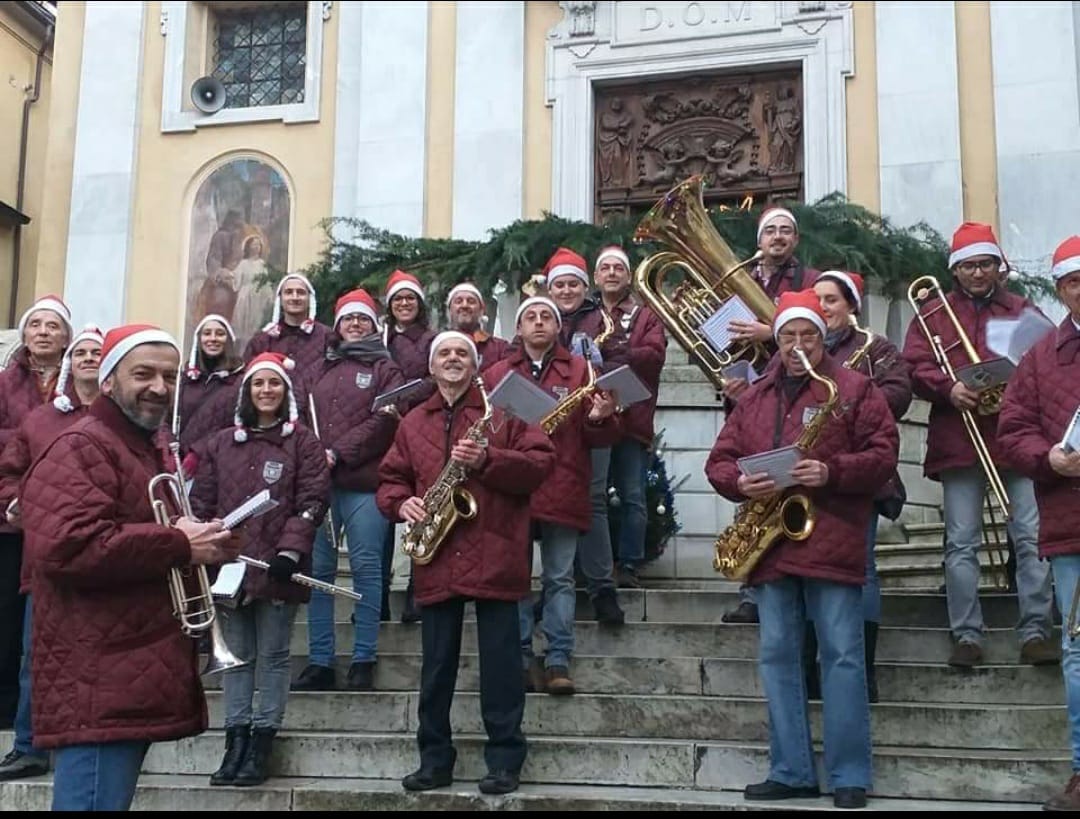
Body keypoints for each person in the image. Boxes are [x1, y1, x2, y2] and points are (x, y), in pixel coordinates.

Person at [18, 323, 239, 811]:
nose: (159, 388)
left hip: (123, 667)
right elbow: (68, 547)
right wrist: (177, 543)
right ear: (110, 379)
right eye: (144, 374)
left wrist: (198, 540)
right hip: (99, 673)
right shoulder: (82, 445)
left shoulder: (139, 446)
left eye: (168, 376)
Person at [705, 290, 898, 809]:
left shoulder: (855, 388)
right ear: (777, 341)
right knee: (776, 657)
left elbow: (883, 455)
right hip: (771, 547)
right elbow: (719, 461)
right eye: (787, 336)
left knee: (841, 656)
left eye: (807, 336)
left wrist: (831, 472)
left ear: (823, 337)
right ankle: (790, 770)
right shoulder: (756, 395)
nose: (796, 346)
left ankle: (850, 774)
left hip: (832, 536)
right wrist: (739, 485)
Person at [377, 331, 555, 796]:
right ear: (432, 367)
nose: (453, 359)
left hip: (496, 551)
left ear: (475, 365)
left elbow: (540, 466)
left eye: (462, 354)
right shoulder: (413, 421)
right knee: (436, 668)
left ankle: (504, 761)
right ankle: (434, 759)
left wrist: (487, 458)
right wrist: (402, 504)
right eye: (444, 354)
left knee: (500, 667)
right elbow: (390, 480)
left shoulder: (506, 411)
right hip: (437, 555)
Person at [902, 222, 1057, 668]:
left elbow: (1047, 359)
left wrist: (1020, 390)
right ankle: (966, 635)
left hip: (1018, 438)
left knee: (1030, 536)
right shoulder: (932, 313)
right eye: (968, 265)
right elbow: (913, 365)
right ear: (955, 270)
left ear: (998, 266)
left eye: (984, 264)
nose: (976, 273)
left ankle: (1035, 631)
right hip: (960, 438)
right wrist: (948, 388)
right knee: (961, 542)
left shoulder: (1022, 309)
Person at [191, 352, 330, 787]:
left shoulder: (302, 441)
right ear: (247, 391)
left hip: (277, 567)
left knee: (272, 656)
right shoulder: (220, 443)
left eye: (274, 384)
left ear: (286, 392)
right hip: (230, 567)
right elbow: (203, 503)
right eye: (258, 384)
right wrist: (211, 543)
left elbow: (311, 498)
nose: (266, 391)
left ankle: (261, 742)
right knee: (234, 659)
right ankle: (234, 741)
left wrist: (289, 552)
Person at [484, 296, 618, 695]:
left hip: (564, 482)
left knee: (560, 578)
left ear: (558, 327)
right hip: (514, 486)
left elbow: (603, 437)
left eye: (547, 317)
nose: (539, 323)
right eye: (531, 317)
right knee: (517, 578)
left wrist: (600, 420)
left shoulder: (582, 370)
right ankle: (522, 658)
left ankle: (558, 658)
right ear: (519, 328)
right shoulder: (495, 373)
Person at [997, 235, 1080, 811]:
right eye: (1076, 281)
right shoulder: (1040, 357)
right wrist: (1046, 458)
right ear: (1062, 289)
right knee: (1077, 650)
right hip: (1072, 522)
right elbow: (1013, 431)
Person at [803, 271, 912, 702]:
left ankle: (863, 671)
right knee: (808, 571)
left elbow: (900, 394)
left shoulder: (876, 348)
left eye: (832, 300)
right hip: (807, 478)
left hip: (858, 475)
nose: (824, 307)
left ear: (851, 306)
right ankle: (813, 668)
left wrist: (844, 404)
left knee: (861, 569)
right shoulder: (796, 347)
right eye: (819, 300)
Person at [0, 324, 102, 782]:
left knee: (95, 656)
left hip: (103, 557)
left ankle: (91, 739)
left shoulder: (123, 419)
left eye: (97, 352)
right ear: (69, 361)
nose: (87, 358)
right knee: (35, 655)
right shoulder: (41, 420)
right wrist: (14, 501)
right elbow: (11, 470)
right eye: (80, 352)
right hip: (44, 556)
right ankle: (28, 745)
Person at [292, 289, 404, 692]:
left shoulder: (385, 369)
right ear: (337, 326)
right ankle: (320, 660)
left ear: (374, 326)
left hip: (364, 482)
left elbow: (385, 421)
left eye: (363, 320)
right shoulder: (317, 368)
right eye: (348, 320)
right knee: (319, 574)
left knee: (366, 568)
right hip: (319, 485)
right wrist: (313, 454)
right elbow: (301, 416)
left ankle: (363, 657)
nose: (355, 325)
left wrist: (338, 452)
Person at [721, 208, 819, 624]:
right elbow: (720, 339)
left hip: (800, 394)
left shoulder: (810, 281)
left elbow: (822, 330)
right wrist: (726, 377)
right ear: (759, 240)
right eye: (770, 231)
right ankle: (751, 587)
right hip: (751, 400)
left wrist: (770, 332)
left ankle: (794, 584)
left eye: (786, 231)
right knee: (752, 489)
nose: (778, 237)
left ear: (795, 240)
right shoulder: (737, 277)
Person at [0, 295, 72, 730]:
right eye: (36, 325)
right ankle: (6, 700)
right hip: (8, 512)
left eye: (53, 326)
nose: (43, 332)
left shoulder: (78, 379)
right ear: (24, 334)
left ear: (66, 335)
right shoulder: (5, 382)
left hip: (59, 509)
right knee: (6, 609)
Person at [382, 270, 436, 623]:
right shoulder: (380, 339)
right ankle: (380, 596)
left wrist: (402, 399)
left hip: (421, 429)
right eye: (398, 299)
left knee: (420, 508)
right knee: (386, 517)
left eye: (410, 299)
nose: (404, 304)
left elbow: (435, 378)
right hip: (383, 431)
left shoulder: (432, 338)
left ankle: (418, 590)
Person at [176, 315, 244, 467]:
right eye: (207, 333)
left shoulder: (240, 382)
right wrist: (169, 451)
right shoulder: (184, 379)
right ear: (198, 340)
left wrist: (199, 452)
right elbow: (166, 420)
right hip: (177, 464)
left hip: (217, 464)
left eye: (220, 334)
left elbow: (238, 426)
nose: (213, 339)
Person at [244, 273, 332, 383]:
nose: (295, 297)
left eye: (300, 292)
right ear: (280, 299)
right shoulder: (261, 341)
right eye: (289, 292)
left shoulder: (326, 336)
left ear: (310, 299)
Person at [445, 281, 511, 372]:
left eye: (471, 301)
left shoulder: (500, 348)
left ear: (481, 310)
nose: (464, 305)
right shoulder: (437, 347)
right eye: (458, 301)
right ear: (450, 310)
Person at [229, 234, 271, 346]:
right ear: (249, 247)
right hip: (245, 297)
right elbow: (236, 279)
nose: (256, 247)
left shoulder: (262, 264)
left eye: (258, 245)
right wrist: (229, 275)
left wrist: (269, 298)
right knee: (243, 327)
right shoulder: (243, 264)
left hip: (258, 298)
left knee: (256, 324)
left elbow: (266, 283)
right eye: (254, 245)